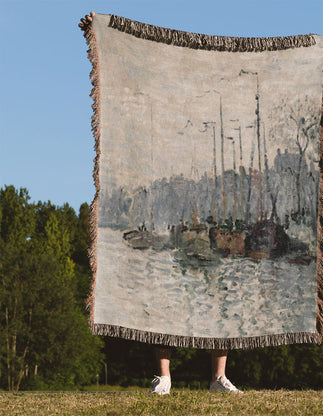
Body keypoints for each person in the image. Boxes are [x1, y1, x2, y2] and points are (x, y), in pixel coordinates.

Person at [79, 12, 242, 395]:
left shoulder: (210, 153)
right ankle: (164, 376)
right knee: (163, 300)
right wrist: (97, 26)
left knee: (218, 303)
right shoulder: (171, 143)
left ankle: (218, 377)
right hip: (177, 225)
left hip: (205, 231)